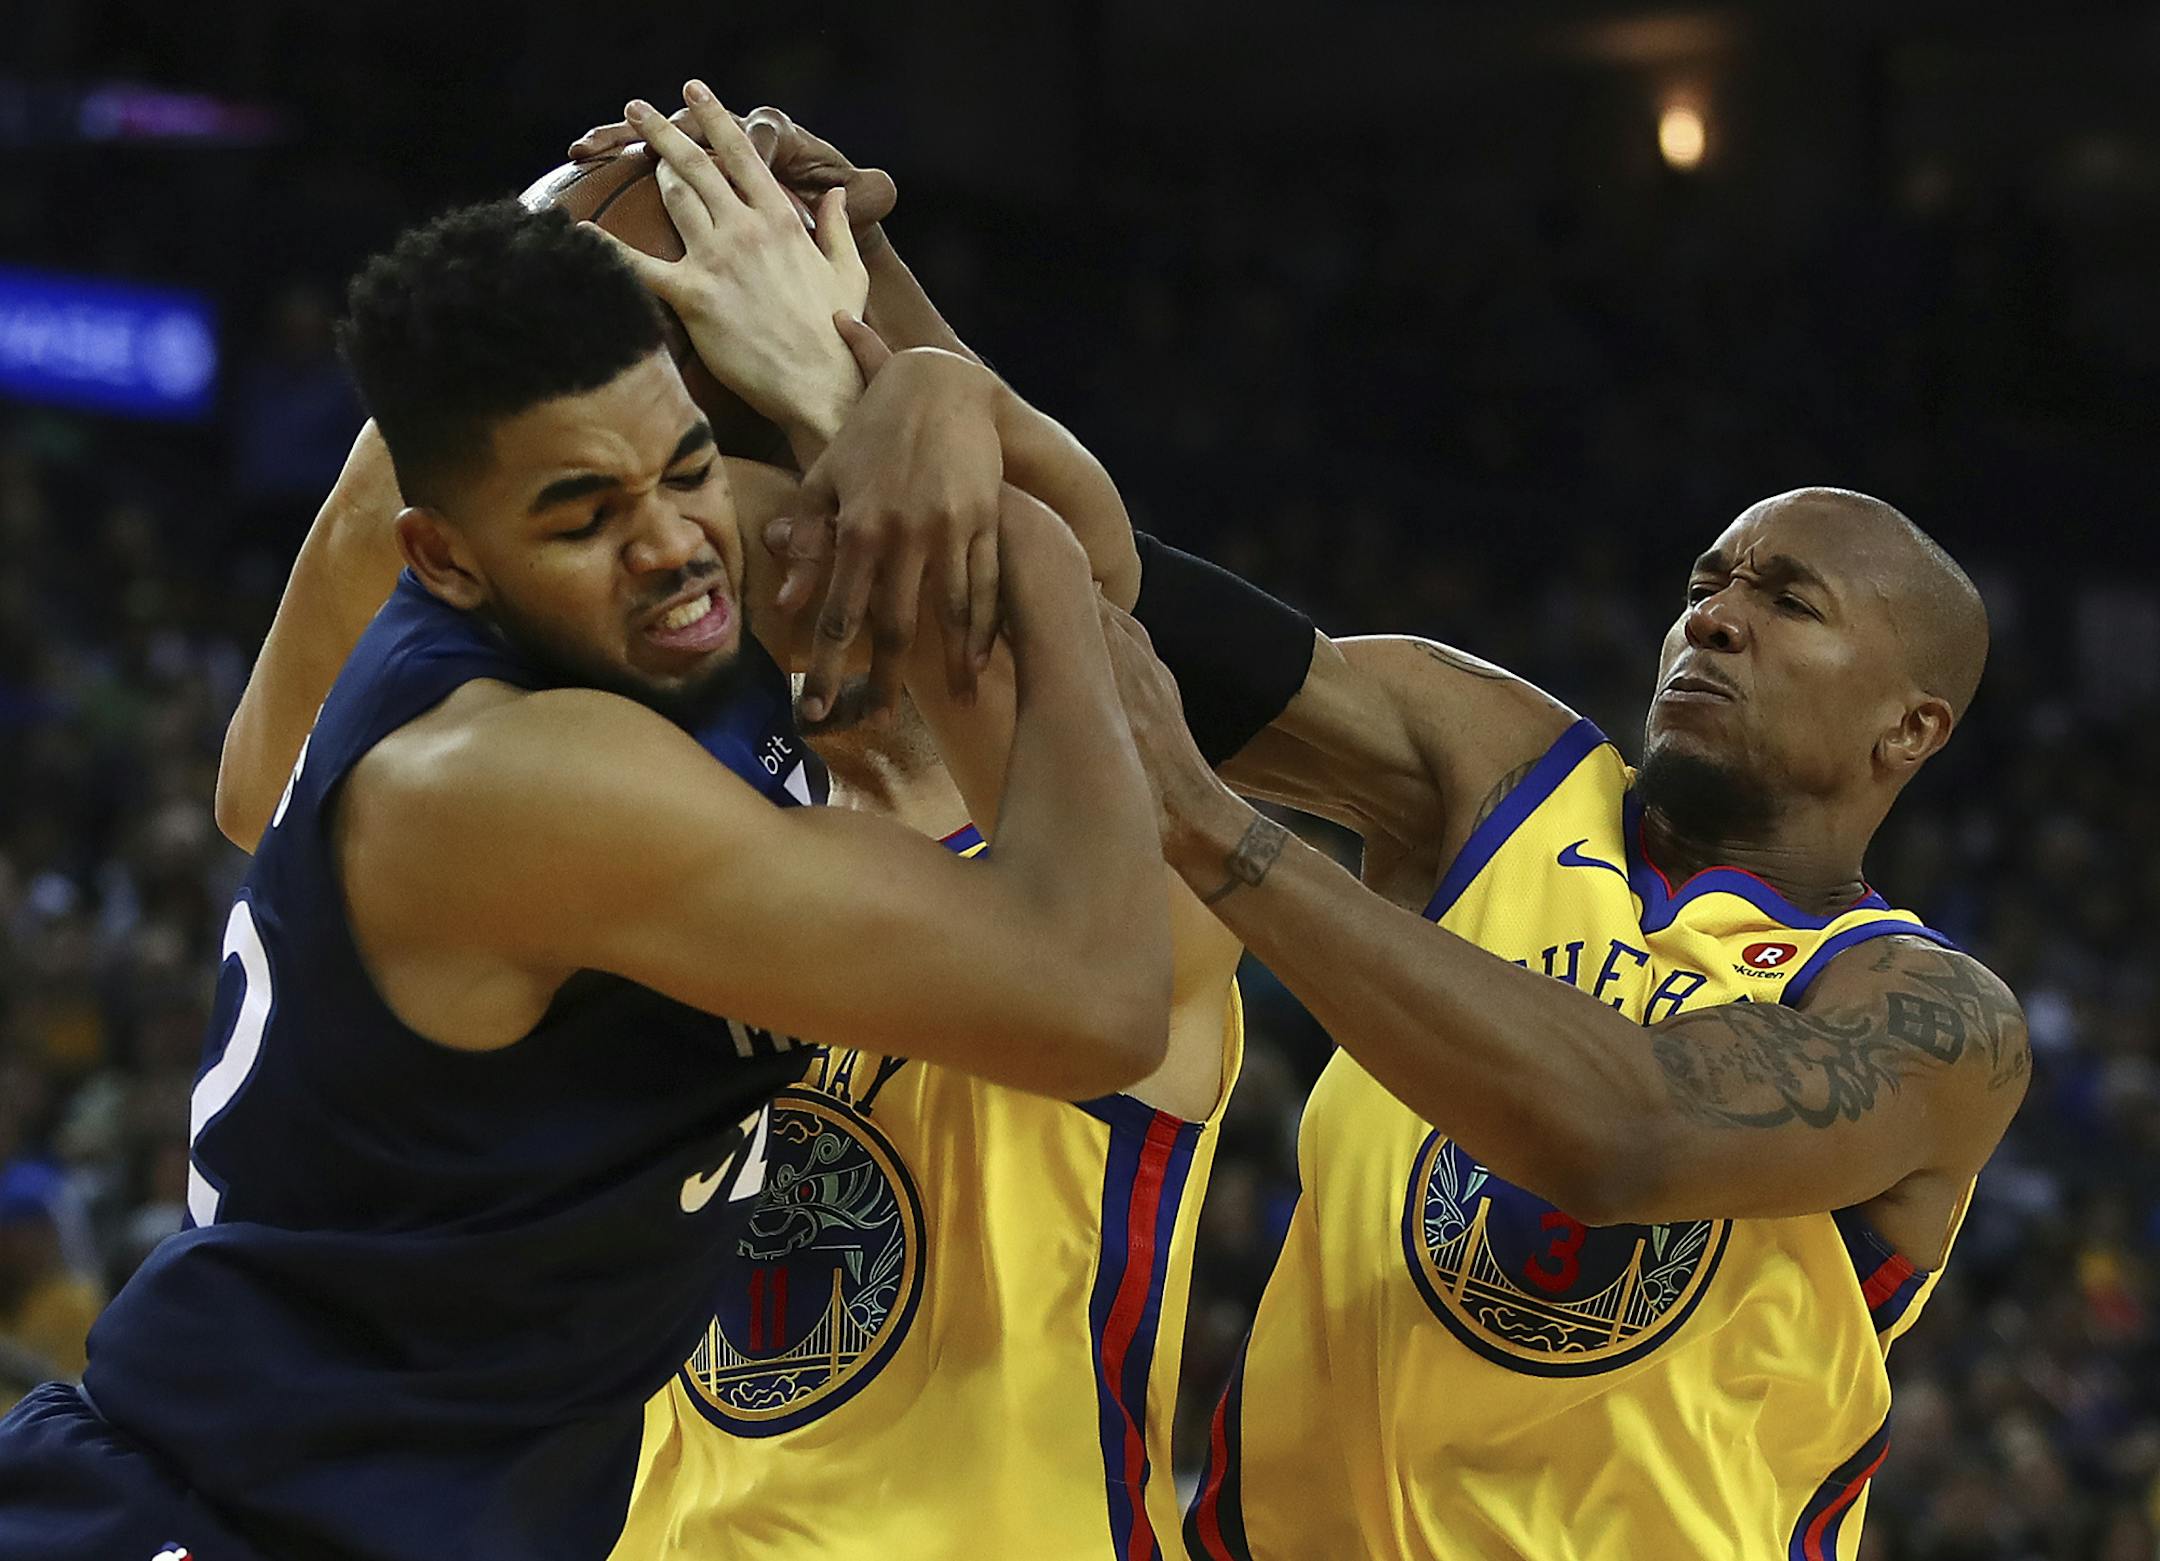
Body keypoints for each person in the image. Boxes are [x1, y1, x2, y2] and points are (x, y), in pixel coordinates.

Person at [0, 86, 1170, 1561]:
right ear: (446, 560)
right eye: (585, 514)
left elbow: (1117, 602)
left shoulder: (657, 578)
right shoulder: (513, 780)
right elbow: (1096, 993)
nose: (673, 545)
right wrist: (894, 408)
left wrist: (890, 339)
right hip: (220, 1519)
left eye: (687, 469)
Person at [1073, 490, 2028, 1558]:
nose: (1713, 618)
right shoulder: (1503, 772)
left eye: (1791, 603)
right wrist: (959, 426)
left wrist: (1218, 833)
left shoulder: (1932, 1018)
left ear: (1910, 727)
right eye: (1705, 586)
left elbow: (1622, 1140)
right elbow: (1118, 599)